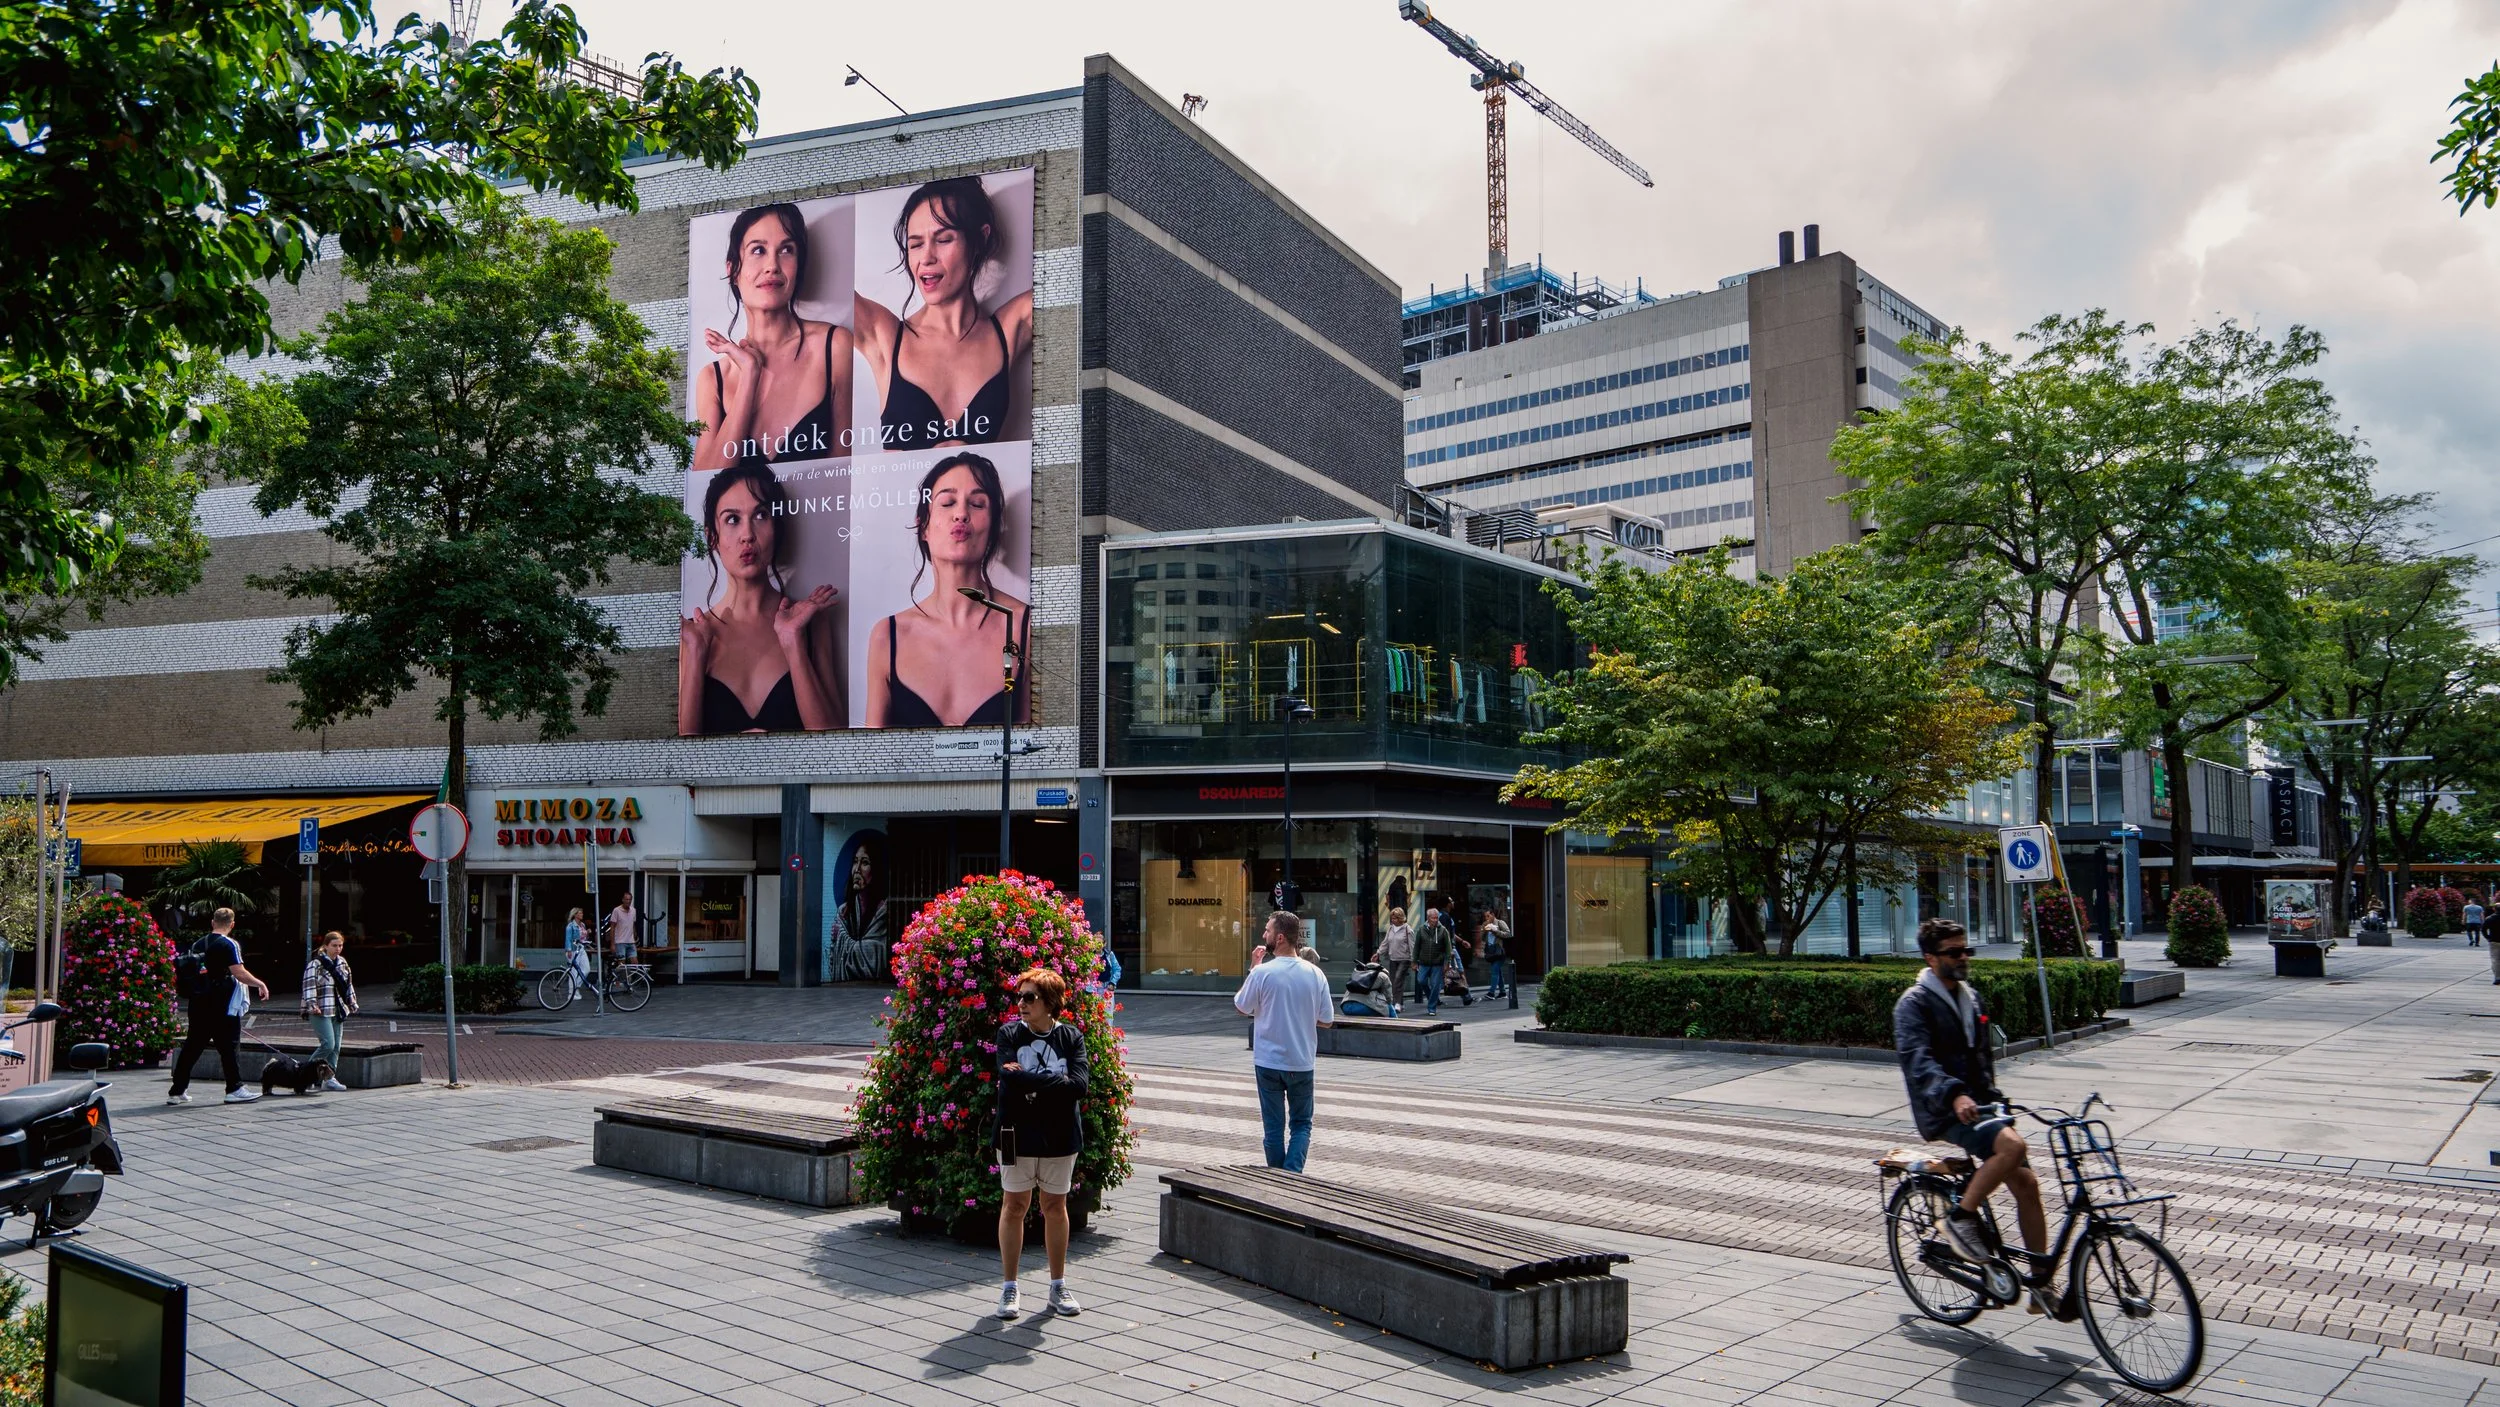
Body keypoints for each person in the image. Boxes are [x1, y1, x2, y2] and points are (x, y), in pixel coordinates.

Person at [1895, 917, 2055, 1314]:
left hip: (1979, 1108)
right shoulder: (1913, 1004)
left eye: (1966, 949)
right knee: (2012, 1147)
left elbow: (1981, 1061)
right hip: (1944, 1110)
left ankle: (2040, 1285)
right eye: (1953, 952)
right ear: (1931, 958)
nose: (1964, 957)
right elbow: (1920, 1062)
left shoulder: (1972, 999)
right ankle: (1959, 1218)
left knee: (2028, 1184)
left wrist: (1996, 1102)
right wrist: (1955, 1096)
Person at [853, 177, 1034, 449]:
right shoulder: (885, 336)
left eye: (943, 239)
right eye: (915, 245)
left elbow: (1079, 272)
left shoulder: (1009, 329)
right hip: (894, 494)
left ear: (979, 240)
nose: (926, 258)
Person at [865, 452, 1030, 728]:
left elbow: (1036, 754)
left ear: (993, 528)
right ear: (923, 527)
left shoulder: (1026, 627)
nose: (961, 514)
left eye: (977, 504)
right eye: (947, 502)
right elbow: (871, 757)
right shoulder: (887, 635)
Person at [679, 462, 843, 734]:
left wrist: (792, 642)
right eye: (732, 519)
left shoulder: (809, 622)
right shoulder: (694, 635)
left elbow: (833, 740)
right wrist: (696, 653)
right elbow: (687, 755)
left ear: (776, 527)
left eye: (761, 515)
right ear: (711, 538)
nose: (747, 536)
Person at [691, 202, 853, 473]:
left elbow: (843, 473)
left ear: (799, 265)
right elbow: (706, 485)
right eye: (758, 250)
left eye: (787, 250)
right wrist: (749, 376)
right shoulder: (712, 379)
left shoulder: (834, 346)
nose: (772, 266)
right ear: (733, 270)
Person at [994, 967, 1089, 1321]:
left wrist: (1030, 1080)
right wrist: (1055, 1081)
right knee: (1014, 1206)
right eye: (1019, 996)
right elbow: (1007, 1076)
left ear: (1050, 1002)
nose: (1021, 1003)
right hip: (1016, 1133)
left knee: (1054, 1206)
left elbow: (1079, 1085)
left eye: (1030, 997)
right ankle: (1009, 1287)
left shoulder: (1071, 1038)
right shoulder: (1008, 1034)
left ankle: (1057, 1286)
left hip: (1060, 1135)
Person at [1233, 910, 1333, 1174]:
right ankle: (1292, 1175)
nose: (1263, 934)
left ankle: (1279, 1180)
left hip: (1268, 1061)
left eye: (1266, 930)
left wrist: (1253, 967)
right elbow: (1326, 1019)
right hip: (1301, 1060)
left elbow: (1242, 1007)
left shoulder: (1262, 973)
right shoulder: (1315, 974)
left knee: (1273, 1128)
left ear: (1279, 938)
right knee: (1301, 1125)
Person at [168, 908, 271, 1106]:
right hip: (222, 1003)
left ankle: (177, 1090)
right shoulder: (229, 944)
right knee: (229, 1046)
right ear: (232, 924)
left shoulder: (199, 943)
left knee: (193, 1045)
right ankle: (234, 1088)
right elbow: (238, 972)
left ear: (212, 922)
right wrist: (259, 983)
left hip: (198, 1001)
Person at [297, 931, 356, 1092]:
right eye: (334, 946)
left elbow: (347, 984)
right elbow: (308, 985)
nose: (338, 949)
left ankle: (329, 1078)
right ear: (326, 946)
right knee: (328, 1044)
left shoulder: (342, 963)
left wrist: (351, 1002)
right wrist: (312, 1004)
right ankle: (304, 1075)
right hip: (320, 1009)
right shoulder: (316, 964)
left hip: (337, 1009)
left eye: (340, 945)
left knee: (336, 1046)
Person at [1412, 907, 1453, 1016]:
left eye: (1436, 918)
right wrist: (1414, 961)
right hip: (1424, 962)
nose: (1435, 920)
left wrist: (1447, 962)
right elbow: (1416, 947)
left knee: (1435, 985)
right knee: (1421, 981)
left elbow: (1448, 948)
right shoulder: (1421, 930)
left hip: (1437, 963)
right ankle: (1431, 997)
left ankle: (1432, 1008)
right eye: (1433, 918)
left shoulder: (1443, 930)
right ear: (1428, 918)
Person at [1375, 908, 1414, 1014]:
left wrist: (1413, 960)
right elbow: (1385, 943)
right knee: (1393, 982)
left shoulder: (1407, 929)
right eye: (1392, 918)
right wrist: (1378, 953)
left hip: (1404, 959)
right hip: (1393, 958)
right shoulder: (1391, 929)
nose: (1393, 920)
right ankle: (1400, 1003)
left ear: (1401, 918)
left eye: (1395, 918)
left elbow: (1412, 946)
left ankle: (1397, 1003)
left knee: (1398, 979)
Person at [1479, 910, 1514, 1000]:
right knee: (1498, 971)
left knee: (1494, 970)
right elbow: (1483, 939)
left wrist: (1495, 931)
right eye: (1485, 917)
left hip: (1499, 950)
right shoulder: (1486, 924)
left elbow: (1508, 933)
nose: (1486, 918)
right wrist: (1484, 930)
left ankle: (1491, 992)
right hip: (1491, 951)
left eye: (1488, 916)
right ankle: (1502, 992)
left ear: (1493, 915)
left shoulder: (1499, 923)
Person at [563, 907, 594, 996]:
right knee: (573, 972)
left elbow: (583, 938)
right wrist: (568, 950)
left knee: (586, 969)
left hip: (581, 949)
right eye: (580, 913)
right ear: (575, 915)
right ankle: (571, 993)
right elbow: (568, 939)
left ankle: (575, 987)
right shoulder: (570, 926)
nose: (582, 915)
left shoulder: (583, 925)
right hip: (573, 950)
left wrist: (587, 933)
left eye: (582, 913)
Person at [607, 892, 640, 968]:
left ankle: (630, 979)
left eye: (630, 899)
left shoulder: (633, 910)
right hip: (620, 941)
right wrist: (612, 944)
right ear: (623, 900)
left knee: (635, 963)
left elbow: (633, 924)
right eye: (626, 899)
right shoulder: (616, 910)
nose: (628, 901)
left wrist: (635, 936)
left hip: (631, 941)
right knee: (622, 965)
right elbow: (612, 928)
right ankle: (619, 980)